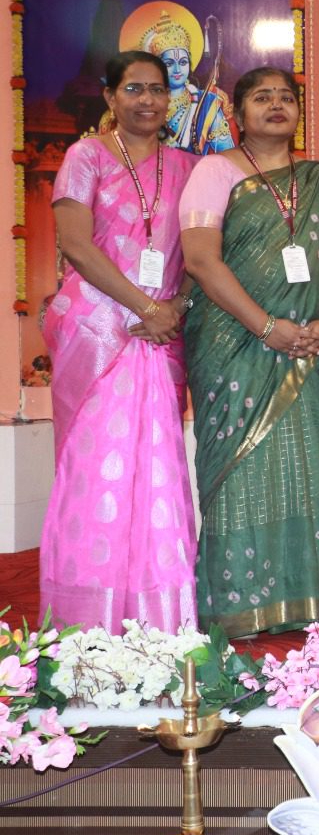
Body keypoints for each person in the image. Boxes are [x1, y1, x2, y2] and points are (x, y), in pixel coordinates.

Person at [179, 66, 319, 636]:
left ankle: (296, 603)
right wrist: (265, 326)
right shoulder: (215, 171)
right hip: (235, 346)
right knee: (238, 475)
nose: (276, 105)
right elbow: (201, 260)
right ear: (237, 113)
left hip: (308, 347)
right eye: (262, 97)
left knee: (301, 469)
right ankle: (235, 609)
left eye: (286, 97)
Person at [39, 50, 199, 632]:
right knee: (97, 469)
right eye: (134, 89)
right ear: (110, 97)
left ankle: (160, 614)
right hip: (100, 330)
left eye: (157, 89)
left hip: (161, 334)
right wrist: (146, 307)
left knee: (157, 471)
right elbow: (76, 246)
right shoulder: (86, 156)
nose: (148, 100)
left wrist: (175, 308)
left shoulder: (188, 167)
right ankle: (90, 616)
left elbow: (202, 252)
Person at [139, 8, 235, 155]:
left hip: (199, 169)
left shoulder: (207, 103)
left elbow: (227, 155)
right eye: (169, 63)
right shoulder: (142, 103)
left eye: (183, 62)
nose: (178, 70)